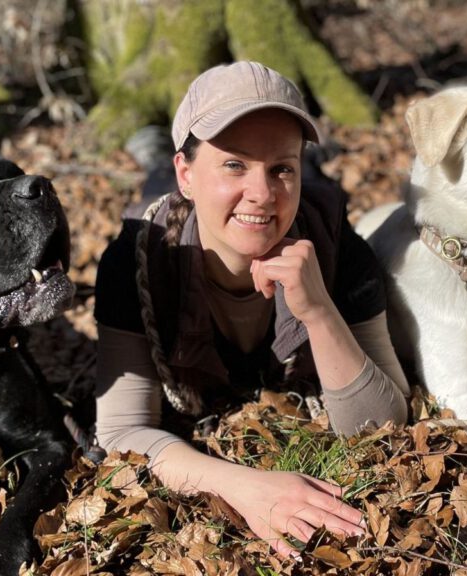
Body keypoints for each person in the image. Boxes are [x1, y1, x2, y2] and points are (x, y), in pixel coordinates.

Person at [94, 61, 409, 558]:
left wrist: (320, 312)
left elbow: (385, 423)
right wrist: (244, 486)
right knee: (152, 185)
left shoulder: (338, 248)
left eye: (282, 167)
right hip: (169, 204)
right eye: (234, 164)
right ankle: (154, 149)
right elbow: (119, 433)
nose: (262, 193)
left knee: (318, 192)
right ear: (189, 173)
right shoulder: (134, 264)